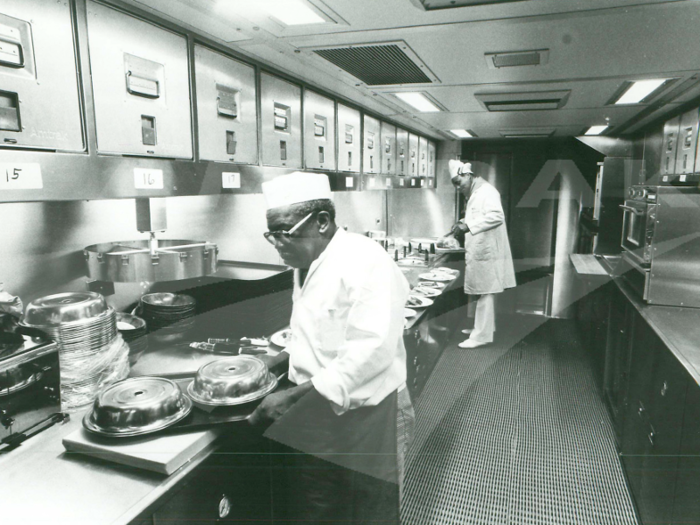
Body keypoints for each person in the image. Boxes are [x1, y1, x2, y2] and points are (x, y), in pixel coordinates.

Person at [249, 171, 411, 523]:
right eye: (271, 235)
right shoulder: (306, 263)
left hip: (366, 415)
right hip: (317, 411)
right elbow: (320, 333)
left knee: (369, 510)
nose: (277, 244)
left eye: (284, 233)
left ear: (322, 222)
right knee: (318, 505)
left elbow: (372, 350)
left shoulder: (366, 261)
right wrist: (281, 363)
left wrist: (290, 397)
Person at [443, 160, 516, 349]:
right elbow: (478, 216)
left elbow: (496, 216)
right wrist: (461, 222)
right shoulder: (476, 192)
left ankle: (481, 336)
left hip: (488, 250)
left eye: (459, 183)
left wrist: (467, 226)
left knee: (486, 293)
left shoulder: (486, 191)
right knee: (484, 292)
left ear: (467, 174)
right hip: (482, 249)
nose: (458, 188)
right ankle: (482, 329)